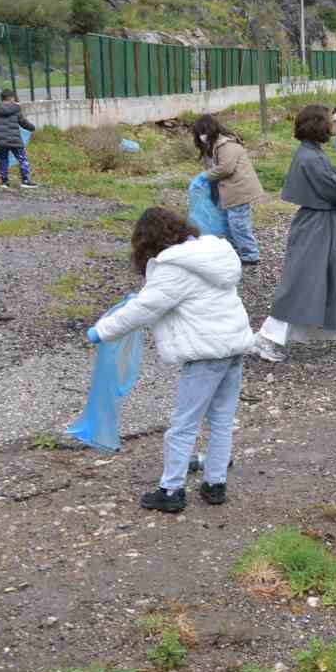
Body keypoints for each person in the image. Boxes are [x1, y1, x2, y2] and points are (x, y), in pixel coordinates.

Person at [88, 207, 254, 513]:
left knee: (183, 424)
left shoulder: (173, 267)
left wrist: (101, 331)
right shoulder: (212, 254)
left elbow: (144, 310)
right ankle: (215, 484)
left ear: (146, 241)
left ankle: (171, 490)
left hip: (205, 355)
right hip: (233, 347)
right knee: (221, 421)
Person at [252, 105, 336, 363]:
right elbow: (334, 189)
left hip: (324, 224)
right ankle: (266, 338)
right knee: (304, 282)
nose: (333, 126)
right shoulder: (310, 157)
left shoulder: (310, 153)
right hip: (318, 226)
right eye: (329, 122)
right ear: (319, 125)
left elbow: (331, 182)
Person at [194, 114, 266, 266]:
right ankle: (236, 252)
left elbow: (225, 168)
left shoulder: (226, 145)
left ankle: (250, 255)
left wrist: (204, 176)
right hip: (227, 192)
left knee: (238, 224)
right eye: (200, 133)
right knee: (228, 223)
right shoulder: (212, 146)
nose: (202, 136)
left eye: (204, 132)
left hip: (238, 191)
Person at [0, 88, 37, 190]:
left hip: (0, 140)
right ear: (11, 97)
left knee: (3, 160)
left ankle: (5, 183)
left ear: (2, 98)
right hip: (14, 140)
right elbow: (23, 122)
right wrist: (32, 127)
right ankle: (25, 181)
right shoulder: (16, 108)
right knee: (22, 159)